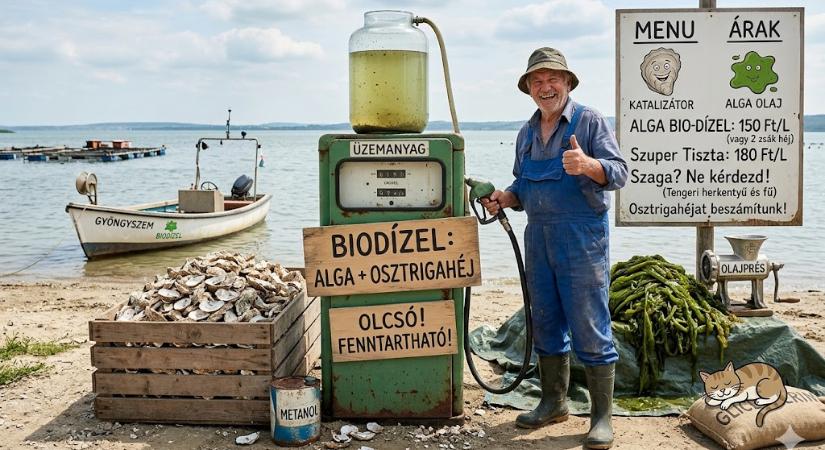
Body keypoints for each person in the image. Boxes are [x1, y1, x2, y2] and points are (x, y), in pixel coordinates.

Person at [481, 47, 628, 449]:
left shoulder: (589, 121)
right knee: (544, 319)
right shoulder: (526, 133)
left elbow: (619, 173)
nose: (545, 87)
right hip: (539, 237)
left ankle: (601, 418)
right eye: (537, 81)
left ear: (567, 83)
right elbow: (523, 189)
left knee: (589, 324)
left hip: (582, 239)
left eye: (553, 79)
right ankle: (553, 402)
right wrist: (503, 198)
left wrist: (588, 165)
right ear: (528, 88)